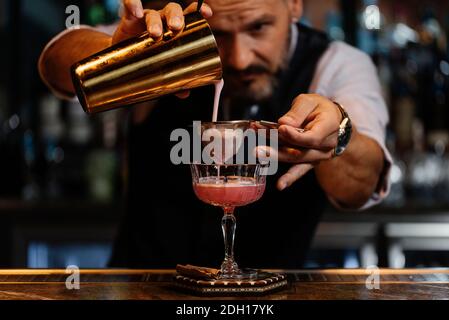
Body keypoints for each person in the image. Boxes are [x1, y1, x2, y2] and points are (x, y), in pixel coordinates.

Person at [39, 0, 392, 269]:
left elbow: (363, 183)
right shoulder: (168, 43)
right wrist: (118, 59)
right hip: (143, 288)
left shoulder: (337, 64)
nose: (238, 60)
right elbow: (54, 63)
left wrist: (340, 135)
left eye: (258, 28)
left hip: (268, 298)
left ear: (294, 4)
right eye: (219, 34)